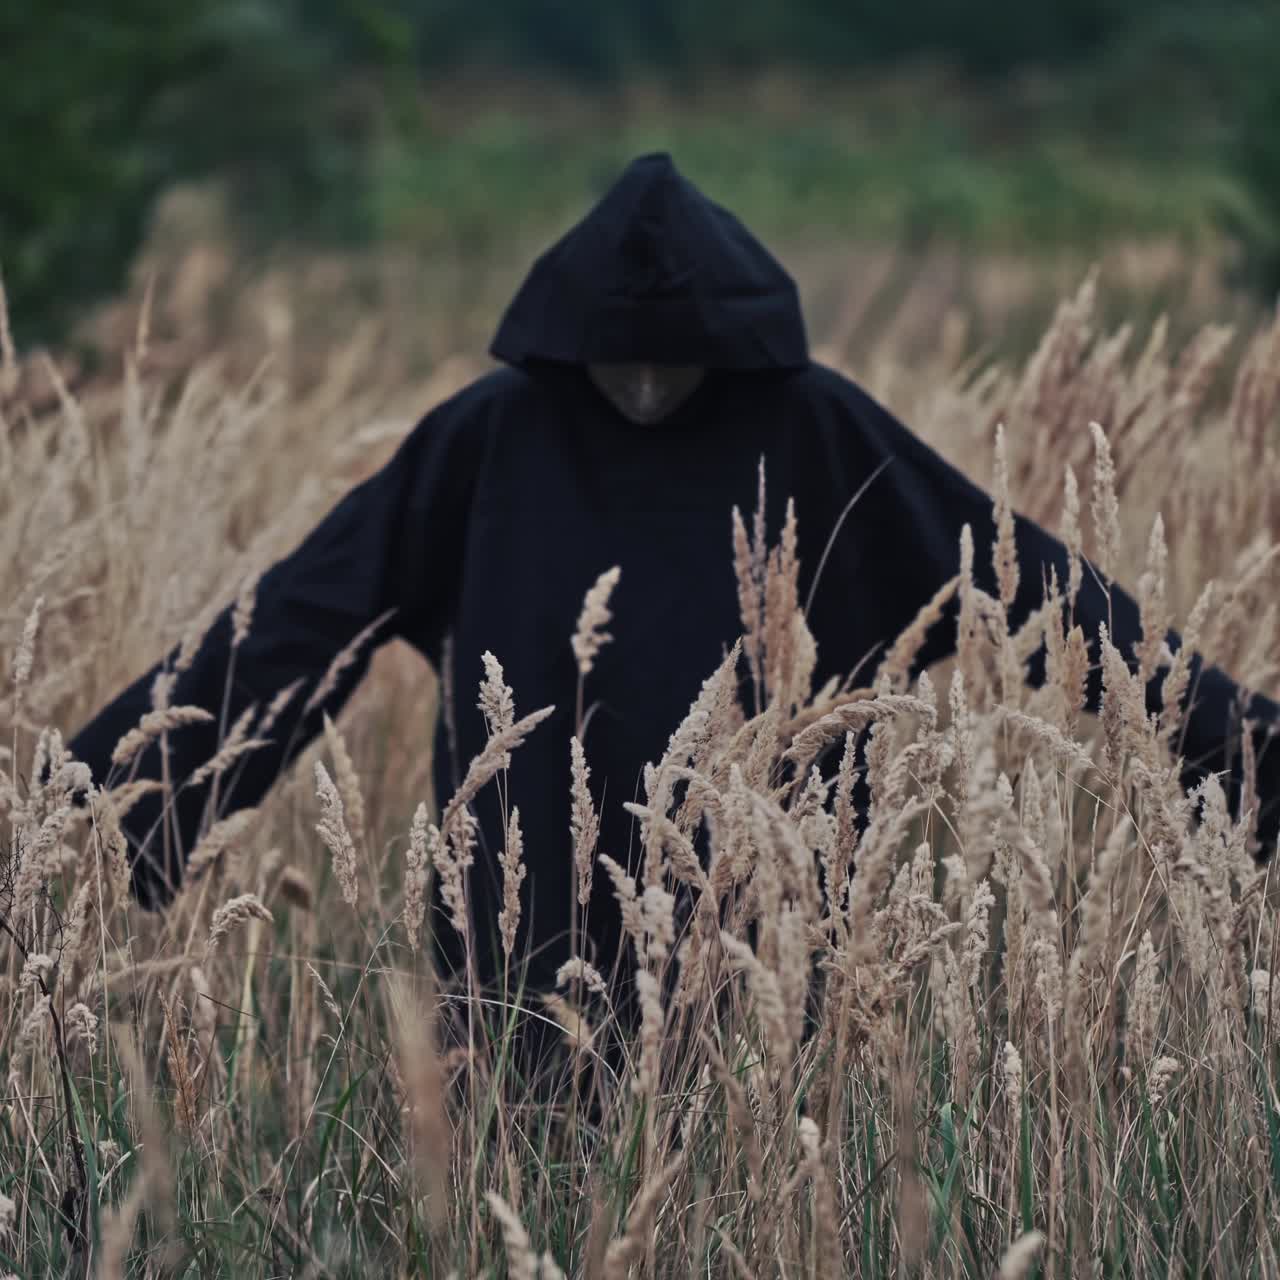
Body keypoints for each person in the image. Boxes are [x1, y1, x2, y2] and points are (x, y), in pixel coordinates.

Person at [71, 152, 1279, 1000]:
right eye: (621, 362)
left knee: (754, 1172)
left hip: (768, 907)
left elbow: (1029, 586)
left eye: (673, 363)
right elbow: (304, 614)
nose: (647, 387)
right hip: (524, 900)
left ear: (728, 342)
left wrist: (1237, 744)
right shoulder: (492, 435)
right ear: (571, 341)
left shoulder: (813, 427)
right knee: (522, 1150)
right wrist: (89, 805)